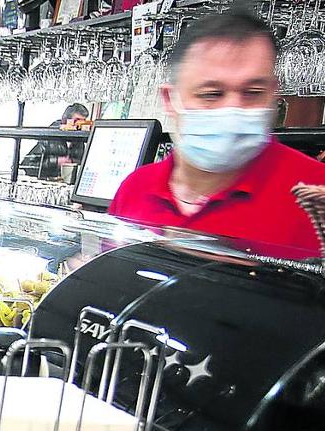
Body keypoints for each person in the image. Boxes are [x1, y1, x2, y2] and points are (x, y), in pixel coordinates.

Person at [109, 10, 325, 257]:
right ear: (170, 99)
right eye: (211, 94)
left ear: (273, 94)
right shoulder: (135, 189)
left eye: (253, 92)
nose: (233, 109)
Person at [19, 103, 89, 180]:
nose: (81, 125)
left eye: (84, 122)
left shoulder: (80, 140)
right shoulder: (50, 137)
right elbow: (27, 166)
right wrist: (55, 162)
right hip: (48, 184)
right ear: (66, 121)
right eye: (77, 121)